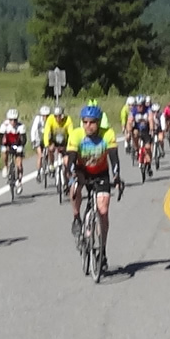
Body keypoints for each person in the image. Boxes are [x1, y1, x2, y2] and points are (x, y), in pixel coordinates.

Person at [68, 101, 121, 266]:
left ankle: (102, 251)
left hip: (100, 172)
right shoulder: (76, 135)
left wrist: (116, 176)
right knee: (74, 187)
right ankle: (77, 217)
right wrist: (71, 174)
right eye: (85, 122)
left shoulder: (107, 134)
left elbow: (114, 158)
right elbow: (71, 159)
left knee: (103, 211)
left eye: (91, 123)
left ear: (98, 123)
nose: (88, 126)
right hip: (82, 170)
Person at [0, 108, 27, 187]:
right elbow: (0, 139)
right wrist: (4, 145)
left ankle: (19, 181)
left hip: (18, 144)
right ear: (8, 119)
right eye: (11, 120)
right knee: (4, 151)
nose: (13, 122)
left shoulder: (21, 126)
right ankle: (5, 166)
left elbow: (24, 139)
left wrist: (21, 146)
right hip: (7, 144)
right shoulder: (4, 126)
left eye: (15, 120)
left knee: (19, 164)